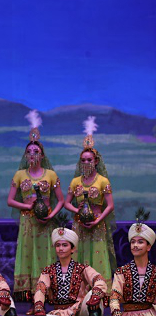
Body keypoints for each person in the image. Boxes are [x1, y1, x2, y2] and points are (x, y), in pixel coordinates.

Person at [7, 110, 64, 302]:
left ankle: (46, 295)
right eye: (29, 152)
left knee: (45, 255)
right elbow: (10, 200)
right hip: (27, 222)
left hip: (44, 222)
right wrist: (27, 207)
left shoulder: (51, 175)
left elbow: (61, 200)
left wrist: (51, 215)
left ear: (42, 155)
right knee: (28, 255)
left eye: (36, 151)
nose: (32, 154)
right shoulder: (19, 175)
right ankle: (32, 298)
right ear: (25, 155)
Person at [64, 117, 116, 289]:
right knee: (79, 255)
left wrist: (98, 220)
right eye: (83, 160)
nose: (86, 162)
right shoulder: (75, 181)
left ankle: (99, 292)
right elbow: (66, 203)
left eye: (89, 160)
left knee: (97, 255)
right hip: (79, 225)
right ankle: (79, 292)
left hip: (97, 225)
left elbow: (110, 205)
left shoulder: (102, 181)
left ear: (96, 161)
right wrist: (76, 211)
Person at [32, 226, 107, 316]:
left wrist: (96, 293)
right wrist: (39, 306)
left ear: (72, 249)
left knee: (94, 294)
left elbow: (99, 279)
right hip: (60, 314)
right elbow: (40, 288)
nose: (60, 248)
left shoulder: (82, 268)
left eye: (64, 245)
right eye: (58, 245)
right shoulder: (48, 270)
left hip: (79, 312)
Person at [109, 214, 156, 316]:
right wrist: (117, 315)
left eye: (140, 242)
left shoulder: (154, 272)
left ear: (148, 247)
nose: (135, 245)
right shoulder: (122, 272)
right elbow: (114, 297)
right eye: (133, 242)